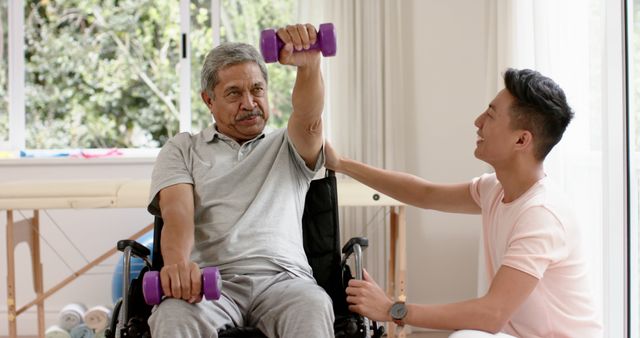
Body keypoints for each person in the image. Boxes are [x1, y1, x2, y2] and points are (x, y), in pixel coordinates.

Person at [325, 68, 603, 337]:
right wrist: (342, 164)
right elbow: (425, 194)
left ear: (521, 139)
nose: (478, 121)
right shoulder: (495, 188)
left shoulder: (540, 215)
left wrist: (392, 309)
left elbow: (492, 315)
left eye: (491, 115)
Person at [146, 24, 333, 337]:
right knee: (172, 314)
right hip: (209, 284)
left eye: (257, 90)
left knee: (313, 305)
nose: (249, 103)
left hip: (285, 282)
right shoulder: (183, 148)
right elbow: (177, 214)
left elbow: (309, 116)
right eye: (234, 93)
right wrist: (178, 265)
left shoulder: (289, 144)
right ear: (208, 100)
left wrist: (310, 64)